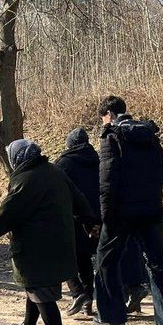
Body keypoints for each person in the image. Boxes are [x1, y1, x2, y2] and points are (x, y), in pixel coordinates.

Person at [0, 140, 97, 325]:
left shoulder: (26, 180)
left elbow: (7, 215)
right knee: (34, 286)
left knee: (39, 291)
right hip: (60, 240)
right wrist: (89, 221)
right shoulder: (54, 170)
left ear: (18, 159)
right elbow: (78, 198)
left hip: (36, 246)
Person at [94, 95, 163, 325]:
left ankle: (113, 317)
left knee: (106, 260)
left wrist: (106, 217)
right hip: (151, 211)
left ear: (109, 114)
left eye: (102, 118)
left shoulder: (111, 136)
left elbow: (107, 182)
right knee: (158, 265)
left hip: (121, 213)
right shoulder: (150, 136)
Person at [55, 128, 100, 315]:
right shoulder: (98, 159)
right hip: (97, 216)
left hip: (73, 217)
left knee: (66, 256)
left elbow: (57, 191)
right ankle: (88, 298)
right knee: (85, 258)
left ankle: (77, 292)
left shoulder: (63, 164)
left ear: (69, 144)